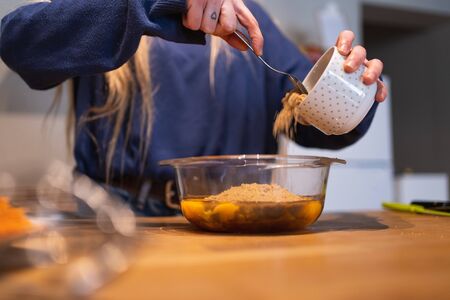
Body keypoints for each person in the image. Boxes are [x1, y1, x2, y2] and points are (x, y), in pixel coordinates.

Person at [0, 0, 386, 216]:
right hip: (114, 224)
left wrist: (356, 87)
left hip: (237, 224)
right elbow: (16, 41)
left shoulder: (247, 23)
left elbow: (313, 118)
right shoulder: (111, 13)